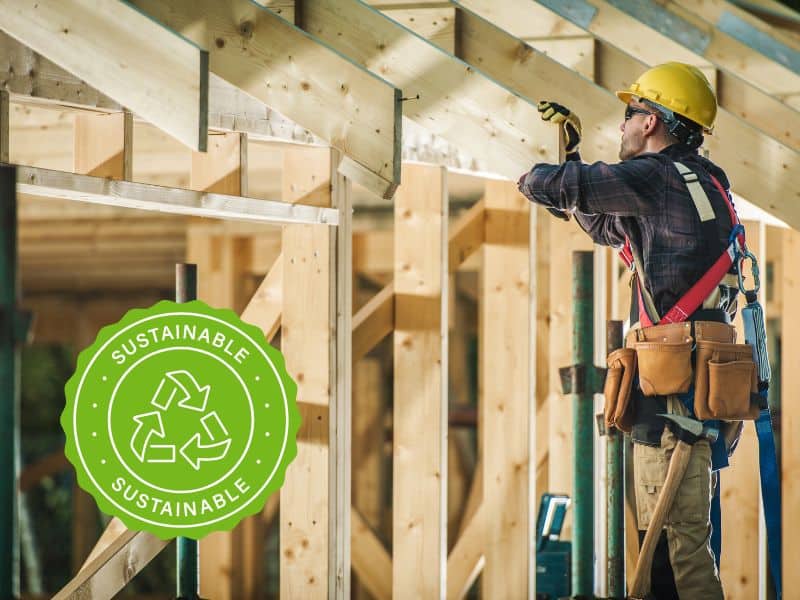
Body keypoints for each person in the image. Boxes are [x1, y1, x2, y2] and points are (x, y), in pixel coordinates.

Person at [517, 62, 740, 599]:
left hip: (669, 397)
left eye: (628, 114)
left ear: (651, 123)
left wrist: (545, 173)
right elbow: (601, 222)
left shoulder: (656, 177)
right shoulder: (704, 181)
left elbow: (553, 186)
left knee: (672, 553)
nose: (620, 127)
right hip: (697, 388)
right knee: (684, 540)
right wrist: (573, 157)